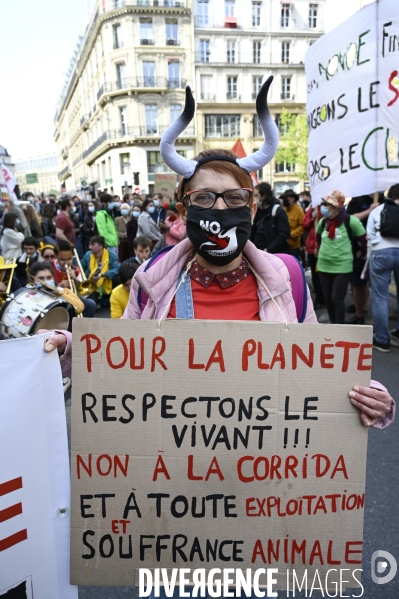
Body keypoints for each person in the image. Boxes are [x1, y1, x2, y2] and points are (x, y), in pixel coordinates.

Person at [42, 78, 395, 486]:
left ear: (252, 205)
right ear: (183, 208)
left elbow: (313, 370)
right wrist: (70, 349)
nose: (220, 208)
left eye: (233, 198)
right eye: (205, 199)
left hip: (261, 478)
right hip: (175, 477)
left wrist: (370, 396)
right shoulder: (151, 281)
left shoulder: (286, 279)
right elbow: (121, 366)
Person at [315, 190, 366, 325]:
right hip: (324, 265)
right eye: (323, 203)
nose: (323, 207)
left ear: (337, 206)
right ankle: (332, 321)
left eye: (327, 204)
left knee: (336, 298)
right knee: (327, 298)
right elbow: (318, 238)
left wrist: (362, 255)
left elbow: (363, 240)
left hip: (342, 266)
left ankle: (340, 326)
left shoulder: (351, 221)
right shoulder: (322, 222)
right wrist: (318, 250)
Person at [366, 184, 399, 352]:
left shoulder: (377, 210)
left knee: (380, 298)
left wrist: (368, 259)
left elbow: (370, 237)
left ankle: (382, 339)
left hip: (380, 252)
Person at [346, 194, 380, 324]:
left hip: (379, 247)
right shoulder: (357, 200)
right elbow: (350, 218)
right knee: (357, 282)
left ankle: (362, 311)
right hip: (359, 248)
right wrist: (370, 210)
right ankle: (358, 308)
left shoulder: (384, 200)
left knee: (376, 288)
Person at [51, 240, 96, 317]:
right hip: (55, 301)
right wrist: (59, 287)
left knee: (90, 304)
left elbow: (83, 296)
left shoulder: (75, 269)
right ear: (55, 256)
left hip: (72, 300)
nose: (66, 263)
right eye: (62, 259)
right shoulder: (49, 267)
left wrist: (75, 280)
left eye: (69, 259)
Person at [250, 182, 290, 253]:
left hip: (273, 253)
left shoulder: (278, 211)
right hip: (258, 251)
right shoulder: (257, 211)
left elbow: (284, 234)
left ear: (264, 196)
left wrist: (268, 249)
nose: (254, 198)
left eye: (256, 195)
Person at [80, 235, 120, 305]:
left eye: (92, 245)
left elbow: (118, 269)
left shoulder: (112, 255)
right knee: (91, 302)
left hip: (106, 281)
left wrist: (104, 275)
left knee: (118, 279)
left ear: (100, 246)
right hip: (92, 283)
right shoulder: (88, 255)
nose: (89, 247)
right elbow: (80, 267)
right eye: (89, 244)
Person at [302, 204, 324, 309]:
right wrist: (312, 218)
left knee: (323, 277)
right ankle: (319, 299)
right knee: (315, 276)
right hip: (311, 248)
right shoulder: (311, 209)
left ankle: (326, 298)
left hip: (323, 248)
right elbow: (304, 225)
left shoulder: (326, 209)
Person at [281, 189, 304, 260]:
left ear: (293, 199)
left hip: (294, 246)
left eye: (288, 198)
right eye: (285, 198)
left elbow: (303, 226)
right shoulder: (282, 210)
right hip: (282, 244)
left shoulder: (299, 210)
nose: (286, 200)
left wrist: (292, 234)